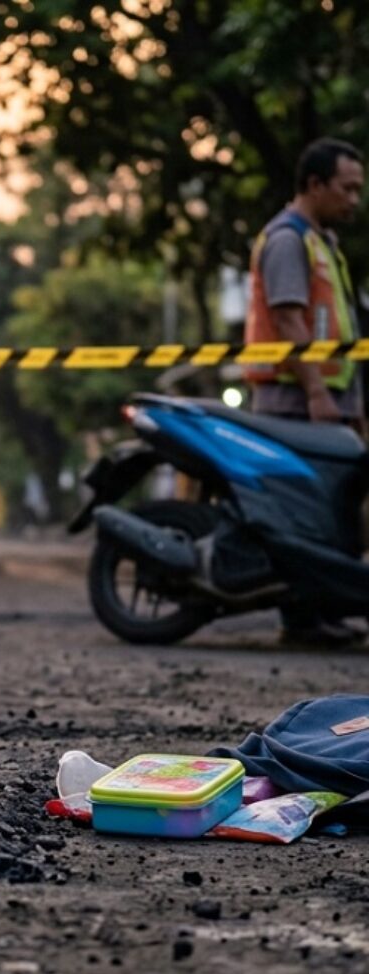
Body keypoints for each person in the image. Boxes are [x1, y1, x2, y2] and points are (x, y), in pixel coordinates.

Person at [244, 137, 366, 645]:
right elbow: (291, 321)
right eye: (347, 188)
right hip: (294, 401)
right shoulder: (288, 240)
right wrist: (318, 394)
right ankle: (301, 617)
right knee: (305, 515)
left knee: (330, 511)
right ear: (314, 185)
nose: (354, 200)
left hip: (328, 399)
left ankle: (317, 609)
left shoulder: (322, 242)